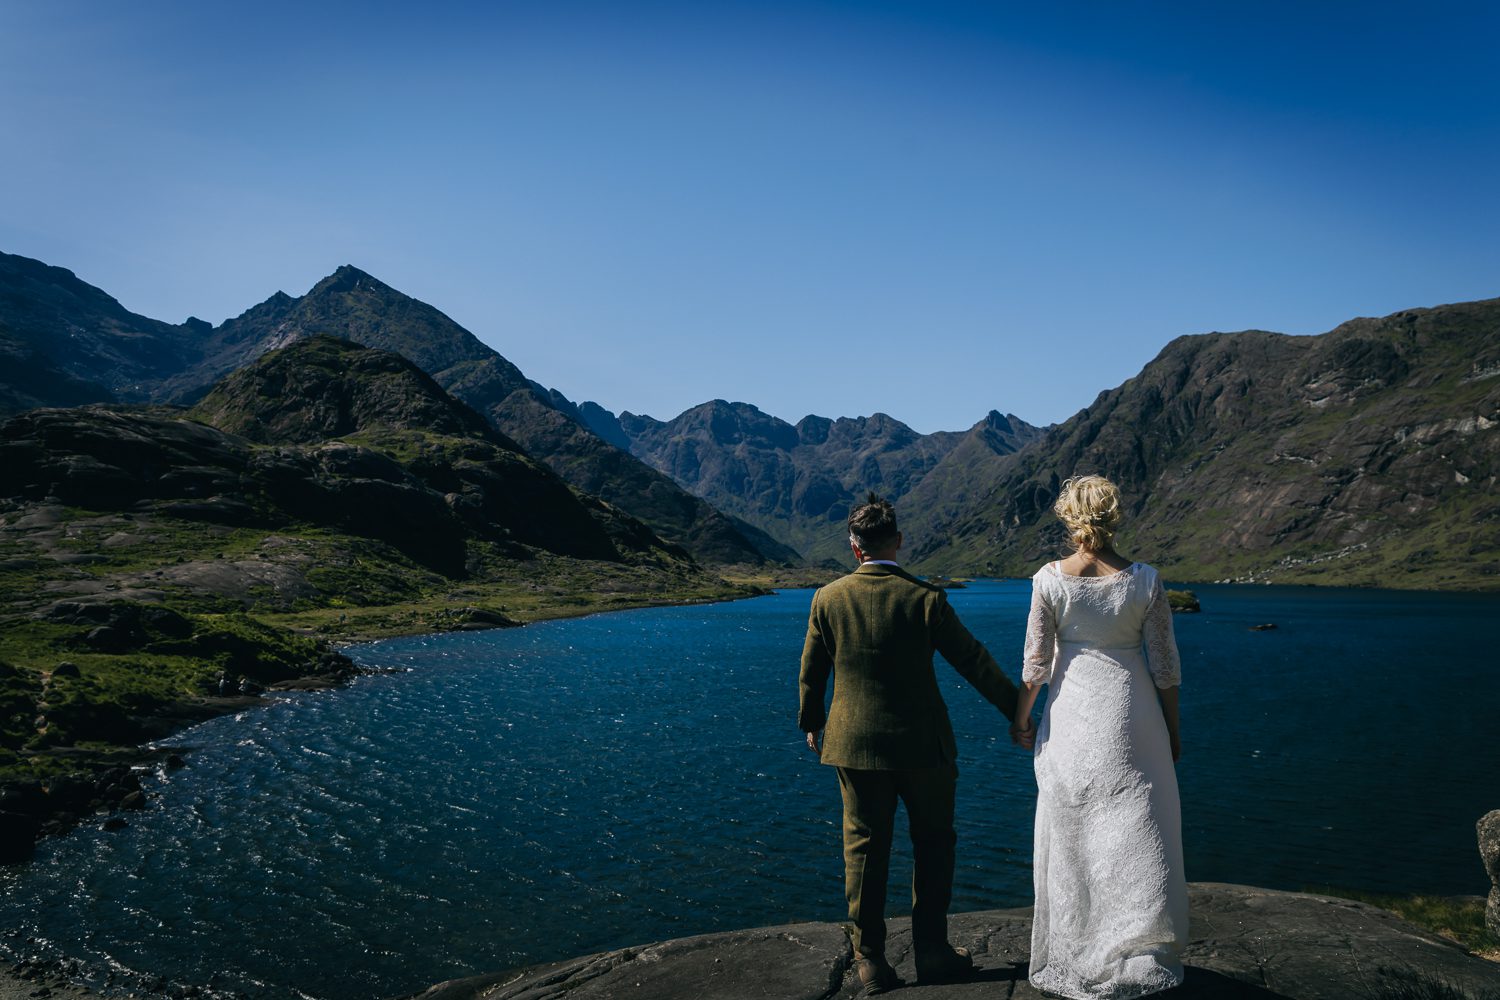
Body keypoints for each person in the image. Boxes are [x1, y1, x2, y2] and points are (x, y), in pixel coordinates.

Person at [799, 494, 1031, 996]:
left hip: (854, 746)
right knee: (933, 845)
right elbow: (975, 663)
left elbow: (812, 674)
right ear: (898, 542)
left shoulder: (828, 598)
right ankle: (932, 951)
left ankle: (871, 961)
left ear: (853, 546)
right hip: (924, 747)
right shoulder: (926, 598)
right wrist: (1020, 713)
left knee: (864, 848)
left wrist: (812, 723)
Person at [1011, 475, 1188, 999]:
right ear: (1115, 517)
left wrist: (1022, 719)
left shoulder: (1049, 581)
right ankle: (1135, 948)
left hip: (1073, 717)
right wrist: (1172, 735)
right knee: (1136, 829)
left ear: (1069, 518)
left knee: (1073, 828)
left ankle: (1076, 949)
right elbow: (1166, 671)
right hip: (1135, 719)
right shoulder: (1146, 581)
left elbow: (1035, 667)